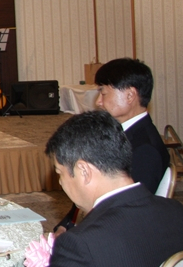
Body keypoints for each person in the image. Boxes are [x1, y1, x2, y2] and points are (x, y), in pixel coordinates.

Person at [3, 110, 183, 267]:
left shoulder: (82, 245)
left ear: (84, 171)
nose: (61, 183)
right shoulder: (176, 212)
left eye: (60, 174)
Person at [55, 57, 170, 234]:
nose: (98, 102)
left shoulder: (145, 149)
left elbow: (127, 210)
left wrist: (75, 235)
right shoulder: (119, 134)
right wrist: (66, 225)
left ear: (130, 95)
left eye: (104, 93)